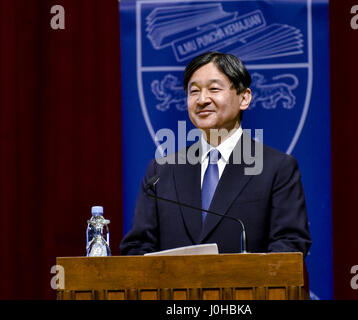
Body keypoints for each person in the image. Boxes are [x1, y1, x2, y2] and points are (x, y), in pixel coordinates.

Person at [120, 52, 311, 256]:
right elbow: (136, 248)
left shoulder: (277, 168)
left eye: (214, 89)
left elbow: (290, 244)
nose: (202, 100)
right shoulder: (161, 172)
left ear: (244, 98)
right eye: (194, 91)